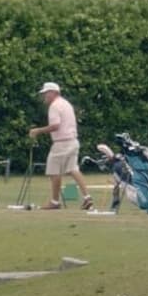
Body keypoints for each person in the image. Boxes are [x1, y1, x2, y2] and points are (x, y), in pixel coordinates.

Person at [28, 82, 94, 210]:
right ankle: (87, 197)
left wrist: (37, 131)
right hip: (73, 141)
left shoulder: (54, 106)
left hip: (62, 143)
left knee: (54, 171)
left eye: (46, 93)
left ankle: (54, 201)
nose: (44, 96)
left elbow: (55, 125)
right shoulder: (66, 103)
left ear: (53, 92)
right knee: (73, 169)